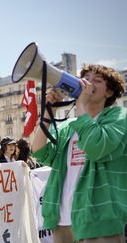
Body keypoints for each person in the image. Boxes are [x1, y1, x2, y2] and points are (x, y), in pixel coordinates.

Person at [31, 64, 127, 242]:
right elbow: (39, 151)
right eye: (86, 79)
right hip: (63, 221)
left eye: (97, 81)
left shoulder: (119, 117)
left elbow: (96, 146)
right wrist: (47, 113)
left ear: (109, 92)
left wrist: (81, 103)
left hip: (99, 219)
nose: (88, 84)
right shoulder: (70, 126)